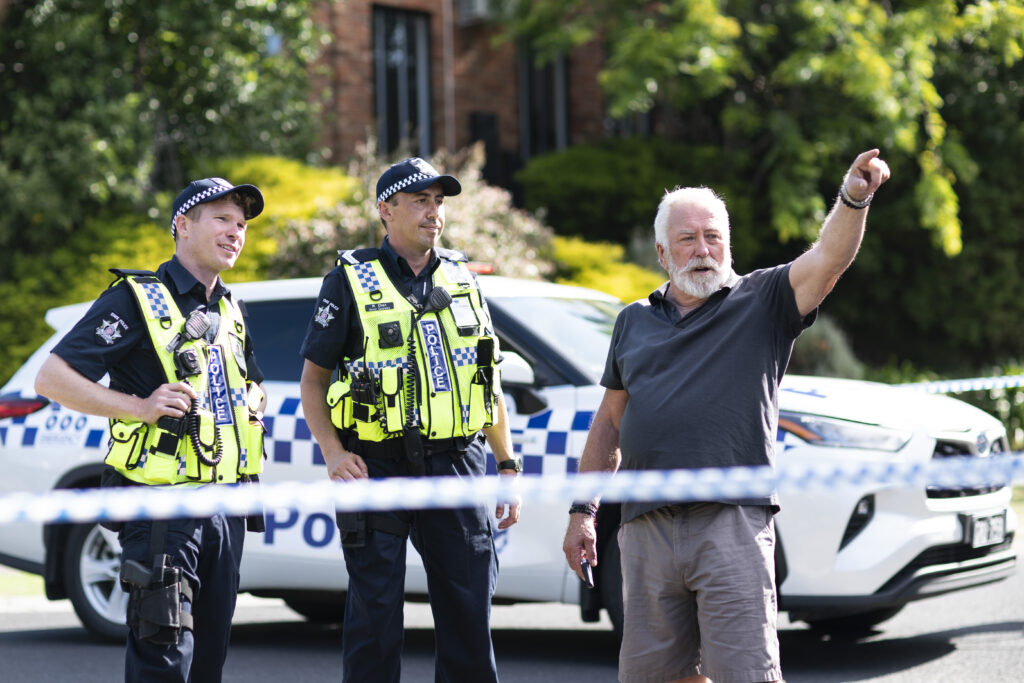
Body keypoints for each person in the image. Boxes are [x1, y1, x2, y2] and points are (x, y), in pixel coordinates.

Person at [563, 150, 891, 683]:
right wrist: (584, 511)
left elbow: (829, 258)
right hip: (646, 528)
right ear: (663, 252)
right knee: (653, 677)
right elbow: (608, 423)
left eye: (713, 236)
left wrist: (854, 197)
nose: (703, 250)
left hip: (732, 521)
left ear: (729, 245)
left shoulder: (763, 300)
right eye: (688, 239)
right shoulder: (632, 321)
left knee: (746, 674)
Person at [35, 177, 268, 683]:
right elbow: (52, 378)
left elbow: (251, 390)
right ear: (182, 225)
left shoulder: (231, 309)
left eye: (242, 224)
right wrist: (139, 407)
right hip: (163, 510)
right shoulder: (136, 299)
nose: (236, 233)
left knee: (208, 663)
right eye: (222, 220)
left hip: (225, 510)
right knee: (163, 663)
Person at [299, 157, 522, 683]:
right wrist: (333, 453)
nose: (433, 213)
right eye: (420, 201)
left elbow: (486, 382)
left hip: (457, 466)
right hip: (376, 469)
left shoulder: (463, 279)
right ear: (386, 209)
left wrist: (507, 466)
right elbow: (313, 381)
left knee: (469, 620)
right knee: (374, 627)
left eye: (439, 202)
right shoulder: (348, 282)